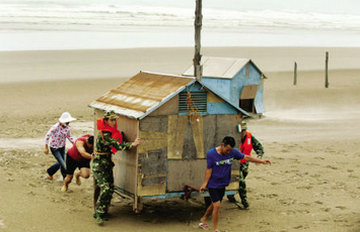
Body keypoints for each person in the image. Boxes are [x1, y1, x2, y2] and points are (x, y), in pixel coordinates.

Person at [199, 136, 270, 232]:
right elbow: (209, 169)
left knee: (214, 204)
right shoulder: (211, 154)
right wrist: (204, 184)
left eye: (230, 150)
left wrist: (261, 161)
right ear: (222, 145)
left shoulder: (233, 152)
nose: (228, 152)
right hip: (213, 184)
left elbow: (246, 157)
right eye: (227, 150)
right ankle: (215, 229)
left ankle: (203, 219)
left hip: (223, 183)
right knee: (217, 205)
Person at [92, 110, 141, 225]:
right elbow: (117, 145)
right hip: (100, 166)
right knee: (106, 188)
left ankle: (103, 211)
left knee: (110, 188)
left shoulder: (109, 132)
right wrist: (132, 144)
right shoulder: (104, 134)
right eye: (111, 120)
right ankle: (99, 213)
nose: (114, 122)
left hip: (107, 163)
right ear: (106, 121)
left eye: (115, 120)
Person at [227, 121, 264, 209]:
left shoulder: (249, 137)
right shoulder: (232, 138)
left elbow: (259, 147)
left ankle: (231, 195)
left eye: (243, 131)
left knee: (241, 178)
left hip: (245, 163)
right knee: (241, 181)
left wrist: (259, 156)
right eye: (241, 131)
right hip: (234, 163)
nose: (242, 133)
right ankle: (244, 201)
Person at [44, 112, 76, 180]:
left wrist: (74, 143)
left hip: (62, 147)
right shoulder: (55, 127)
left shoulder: (67, 128)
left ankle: (50, 171)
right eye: (67, 122)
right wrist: (46, 147)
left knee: (61, 163)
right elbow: (47, 136)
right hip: (55, 148)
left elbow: (69, 136)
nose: (68, 123)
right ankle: (65, 177)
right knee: (63, 164)